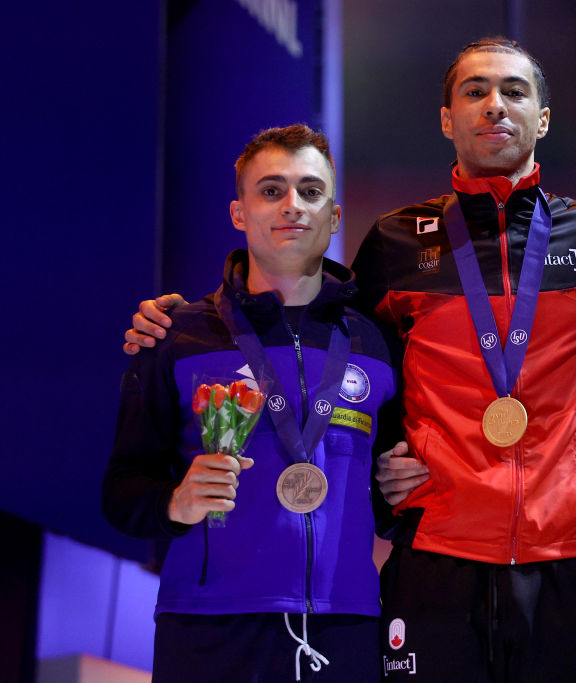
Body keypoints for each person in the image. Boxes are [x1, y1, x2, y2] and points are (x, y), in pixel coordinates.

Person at [123, 37, 576, 681]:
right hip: (437, 551)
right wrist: (185, 321)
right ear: (447, 119)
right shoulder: (396, 240)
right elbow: (327, 338)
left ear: (544, 117)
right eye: (474, 92)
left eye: (513, 91)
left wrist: (560, 448)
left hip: (566, 548)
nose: (494, 106)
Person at [103, 124, 405, 682]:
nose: (293, 206)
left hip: (346, 626)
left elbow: (392, 499)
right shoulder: (178, 335)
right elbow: (122, 490)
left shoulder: (376, 343)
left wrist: (400, 488)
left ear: (334, 217)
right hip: (208, 626)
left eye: (311, 192)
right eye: (271, 190)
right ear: (239, 213)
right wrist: (174, 502)